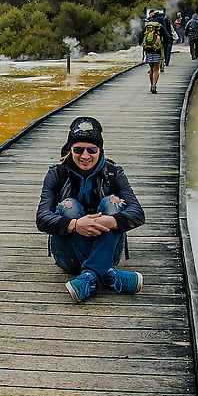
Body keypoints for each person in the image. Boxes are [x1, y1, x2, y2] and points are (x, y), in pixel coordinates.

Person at [36, 117, 145, 303]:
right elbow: (42, 218)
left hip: (109, 254)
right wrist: (75, 225)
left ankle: (90, 276)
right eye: (78, 149)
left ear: (100, 150)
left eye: (91, 150)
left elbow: (138, 214)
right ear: (70, 149)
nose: (85, 156)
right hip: (69, 259)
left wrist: (111, 221)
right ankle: (107, 274)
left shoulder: (114, 173)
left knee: (113, 203)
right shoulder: (56, 173)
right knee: (69, 205)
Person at [141, 10, 171, 94]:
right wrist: (163, 43)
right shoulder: (160, 27)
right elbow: (168, 37)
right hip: (157, 49)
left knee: (151, 68)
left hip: (148, 49)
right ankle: (154, 85)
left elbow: (142, 36)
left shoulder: (148, 26)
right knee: (156, 69)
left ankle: (151, 84)